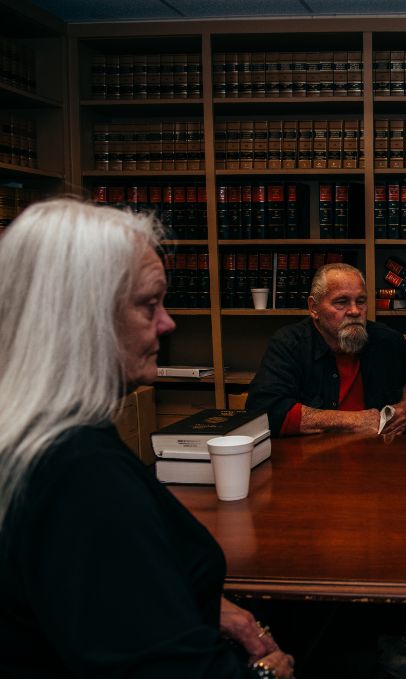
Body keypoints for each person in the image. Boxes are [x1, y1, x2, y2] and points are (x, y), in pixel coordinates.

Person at [0, 199, 294, 678]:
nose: (168, 323)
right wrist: (268, 673)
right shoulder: (80, 474)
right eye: (148, 304)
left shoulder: (27, 436)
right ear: (81, 317)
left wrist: (197, 601)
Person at [246, 262, 406, 437]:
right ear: (314, 308)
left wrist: (405, 407)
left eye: (360, 301)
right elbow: (265, 410)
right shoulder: (289, 343)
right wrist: (352, 421)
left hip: (377, 450)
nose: (355, 311)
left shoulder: (388, 339)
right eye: (341, 302)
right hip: (313, 450)